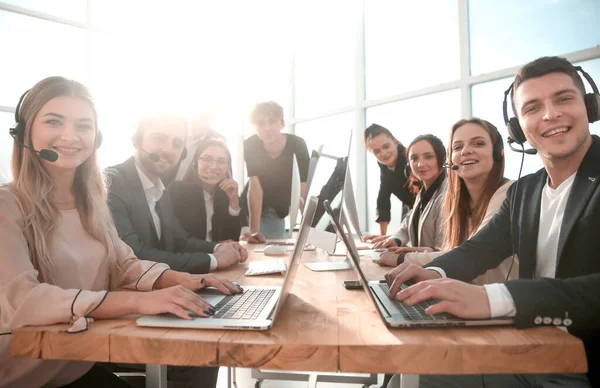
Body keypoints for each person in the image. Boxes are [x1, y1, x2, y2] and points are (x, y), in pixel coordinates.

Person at [0, 76, 242, 388]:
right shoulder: (8, 204)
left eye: (84, 126)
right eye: (54, 122)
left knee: (202, 345)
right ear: (25, 131)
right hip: (24, 374)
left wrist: (186, 280)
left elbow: (124, 264)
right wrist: (141, 302)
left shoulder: (92, 202)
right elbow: (23, 301)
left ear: (96, 138)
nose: (70, 136)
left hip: (76, 362)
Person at [386, 56, 599, 387]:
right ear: (518, 129)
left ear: (590, 106)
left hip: (583, 363)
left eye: (563, 99)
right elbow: (480, 248)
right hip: (532, 348)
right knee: (416, 368)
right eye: (531, 108)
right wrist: (433, 272)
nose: (550, 114)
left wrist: (495, 298)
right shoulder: (526, 191)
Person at [380, 119, 518, 284]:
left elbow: (473, 253)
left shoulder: (509, 193)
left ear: (498, 152)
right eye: (458, 147)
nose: (466, 151)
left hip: (499, 304)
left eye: (478, 143)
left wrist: (403, 258)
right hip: (464, 294)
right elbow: (452, 250)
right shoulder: (458, 200)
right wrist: (418, 250)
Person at [106, 114, 247, 275]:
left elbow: (179, 240)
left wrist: (219, 247)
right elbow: (135, 255)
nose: (168, 149)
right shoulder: (113, 181)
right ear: (137, 140)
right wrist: (213, 260)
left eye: (177, 144)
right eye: (159, 138)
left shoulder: (160, 189)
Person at [371, 134, 447, 267]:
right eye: (414, 158)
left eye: (428, 156)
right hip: (420, 271)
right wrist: (395, 240)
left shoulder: (447, 196)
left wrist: (403, 257)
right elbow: (407, 224)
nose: (420, 164)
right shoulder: (423, 192)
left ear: (442, 159)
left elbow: (444, 251)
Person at [240, 101, 309, 242]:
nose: (267, 128)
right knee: (253, 251)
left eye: (271, 122)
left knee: (275, 253)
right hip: (249, 210)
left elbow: (302, 188)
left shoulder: (297, 145)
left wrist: (309, 229)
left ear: (282, 123)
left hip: (277, 210)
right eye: (260, 124)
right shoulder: (250, 145)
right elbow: (255, 187)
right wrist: (254, 232)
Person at [168, 139, 244, 242]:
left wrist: (234, 202)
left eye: (221, 161)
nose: (213, 166)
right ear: (195, 163)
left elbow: (231, 240)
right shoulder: (177, 192)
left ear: (228, 168)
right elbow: (179, 241)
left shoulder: (225, 195)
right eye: (207, 159)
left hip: (218, 256)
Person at [162, 108, 225, 186]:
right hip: (167, 186)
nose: (197, 122)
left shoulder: (217, 140)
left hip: (193, 190)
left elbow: (222, 171)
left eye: (204, 118)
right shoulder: (181, 134)